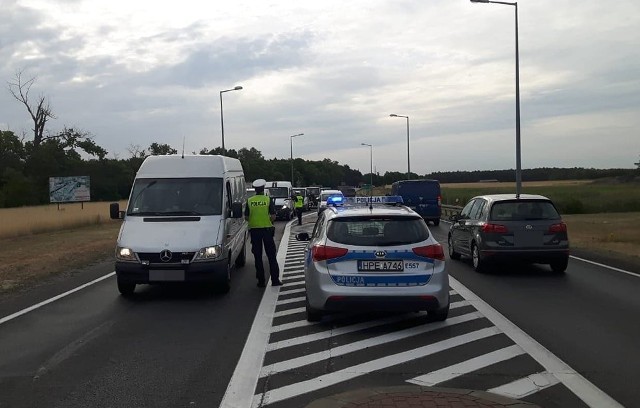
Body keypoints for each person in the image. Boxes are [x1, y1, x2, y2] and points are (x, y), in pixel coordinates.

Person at [245, 179, 281, 287]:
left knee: (258, 257)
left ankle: (261, 281)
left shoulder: (249, 201)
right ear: (263, 189)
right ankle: (275, 280)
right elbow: (273, 216)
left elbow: (246, 217)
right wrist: (269, 221)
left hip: (255, 232)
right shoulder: (267, 200)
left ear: (255, 189)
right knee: (271, 256)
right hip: (267, 231)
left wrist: (254, 220)